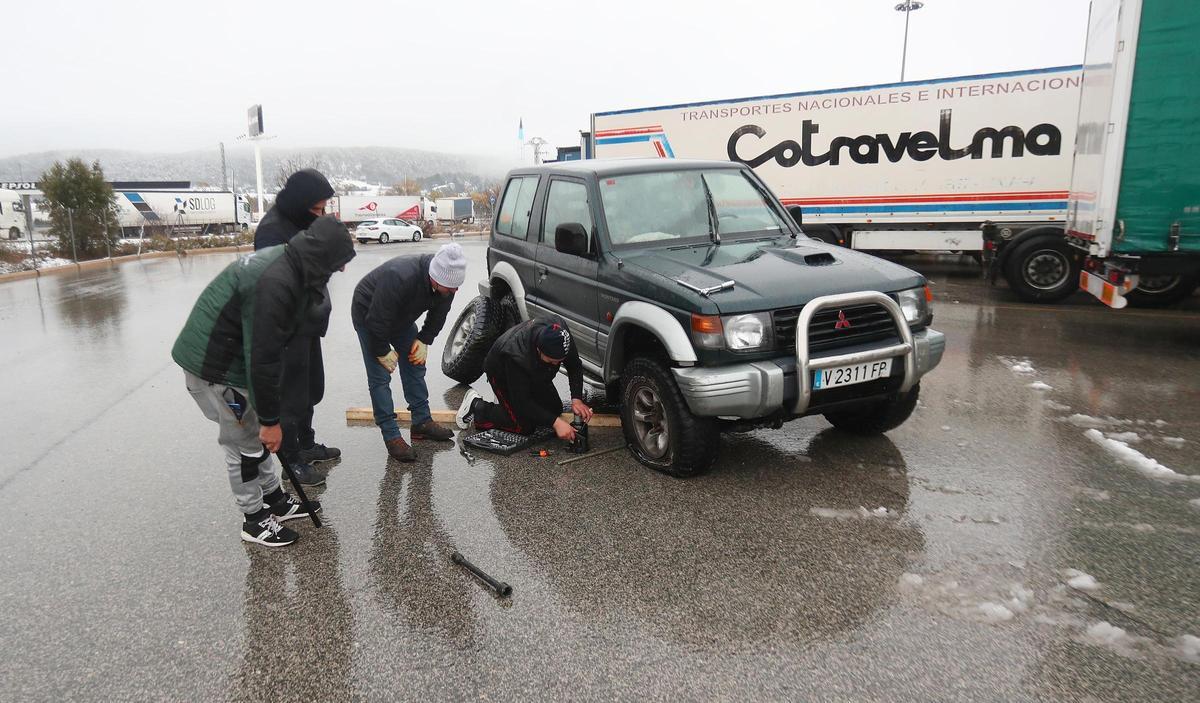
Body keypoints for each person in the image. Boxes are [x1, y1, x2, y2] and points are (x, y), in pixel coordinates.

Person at [173, 216, 355, 547]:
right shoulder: (275, 282)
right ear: (322, 256)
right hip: (215, 368)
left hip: (236, 359)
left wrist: (272, 418)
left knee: (257, 440)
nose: (342, 270)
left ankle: (276, 501)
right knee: (244, 443)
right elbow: (264, 359)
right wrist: (271, 420)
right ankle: (254, 520)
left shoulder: (293, 263)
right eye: (339, 262)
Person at [253, 169, 338, 487]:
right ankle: (291, 459)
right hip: (287, 328)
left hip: (308, 323)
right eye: (317, 209)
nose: (322, 214)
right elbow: (275, 282)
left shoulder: (304, 222)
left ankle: (306, 443)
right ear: (299, 204)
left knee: (310, 388)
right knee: (290, 395)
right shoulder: (272, 232)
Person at [352, 243, 468, 462]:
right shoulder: (400, 276)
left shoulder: (448, 282)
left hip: (400, 318)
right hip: (369, 316)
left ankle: (421, 422)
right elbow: (377, 320)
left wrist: (424, 340)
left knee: (415, 362)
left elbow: (438, 316)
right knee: (380, 377)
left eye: (456, 287)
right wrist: (382, 350)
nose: (455, 292)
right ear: (435, 278)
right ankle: (391, 436)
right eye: (450, 288)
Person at [455, 315, 593, 441]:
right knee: (523, 427)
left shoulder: (561, 336)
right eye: (551, 361)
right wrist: (556, 423)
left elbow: (574, 365)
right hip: (501, 371)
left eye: (560, 361)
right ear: (539, 349)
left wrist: (577, 400)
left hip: (533, 371)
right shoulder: (516, 355)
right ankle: (477, 406)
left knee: (553, 411)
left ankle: (507, 406)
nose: (556, 364)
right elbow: (523, 402)